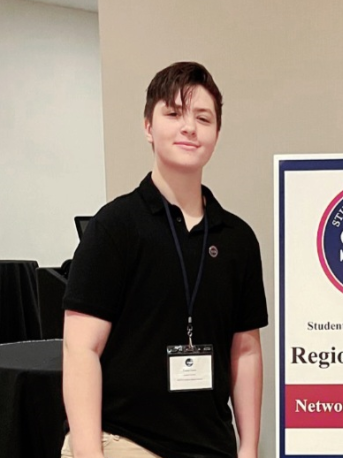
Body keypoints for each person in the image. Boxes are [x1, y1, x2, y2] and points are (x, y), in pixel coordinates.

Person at [61, 62, 268, 458]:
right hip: (123, 440)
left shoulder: (237, 239)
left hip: (211, 445)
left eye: (203, 118)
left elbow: (245, 350)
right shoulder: (115, 227)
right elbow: (80, 349)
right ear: (148, 127)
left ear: (217, 134)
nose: (189, 127)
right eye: (173, 114)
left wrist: (249, 449)